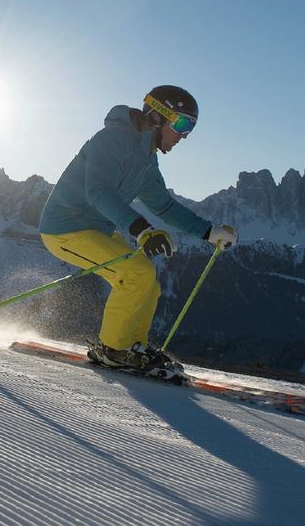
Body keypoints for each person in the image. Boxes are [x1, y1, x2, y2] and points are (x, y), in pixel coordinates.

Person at [37, 85, 237, 375]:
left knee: (147, 277)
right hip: (65, 228)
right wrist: (142, 230)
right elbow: (98, 192)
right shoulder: (113, 140)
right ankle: (113, 350)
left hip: (96, 229)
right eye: (182, 124)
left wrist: (208, 232)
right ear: (159, 117)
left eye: (190, 127)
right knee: (135, 274)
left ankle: (132, 346)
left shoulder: (146, 156)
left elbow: (163, 205)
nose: (184, 135)